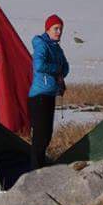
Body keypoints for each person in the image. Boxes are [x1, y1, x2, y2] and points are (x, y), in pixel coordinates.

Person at [28, 13, 69, 168]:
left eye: (60, 29)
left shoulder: (57, 48)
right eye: (56, 28)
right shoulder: (41, 44)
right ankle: (34, 172)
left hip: (50, 94)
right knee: (39, 137)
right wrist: (56, 68)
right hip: (39, 96)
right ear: (48, 29)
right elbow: (39, 65)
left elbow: (66, 67)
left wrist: (59, 70)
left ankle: (40, 168)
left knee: (46, 136)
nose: (59, 32)